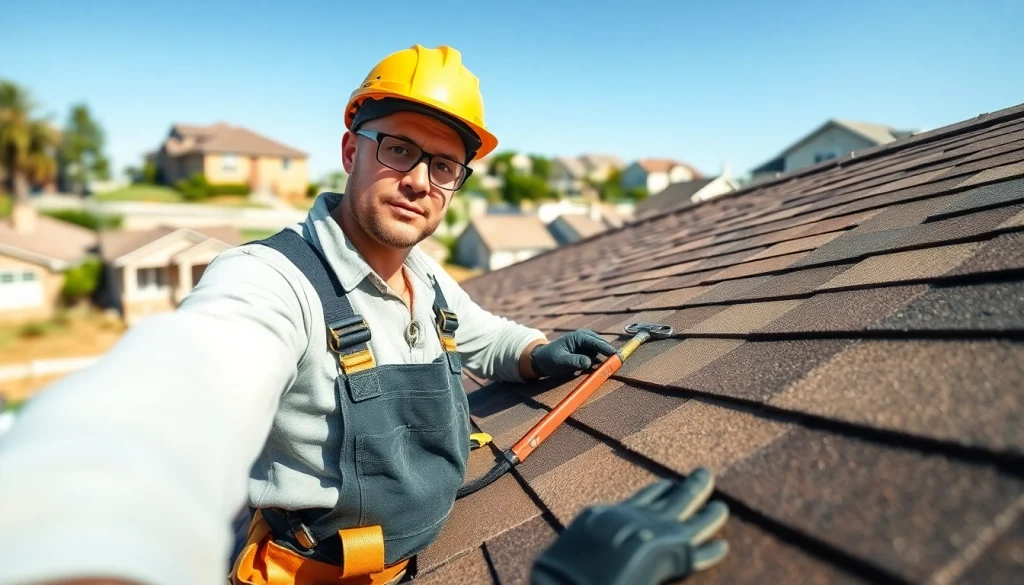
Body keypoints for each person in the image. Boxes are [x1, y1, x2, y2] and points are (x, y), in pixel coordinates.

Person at [0, 44, 617, 585]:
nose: (420, 181)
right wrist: (74, 532)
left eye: (445, 166)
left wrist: (539, 351)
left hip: (421, 557)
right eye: (399, 150)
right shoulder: (271, 279)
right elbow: (181, 392)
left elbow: (487, 340)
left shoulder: (424, 277)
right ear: (352, 150)